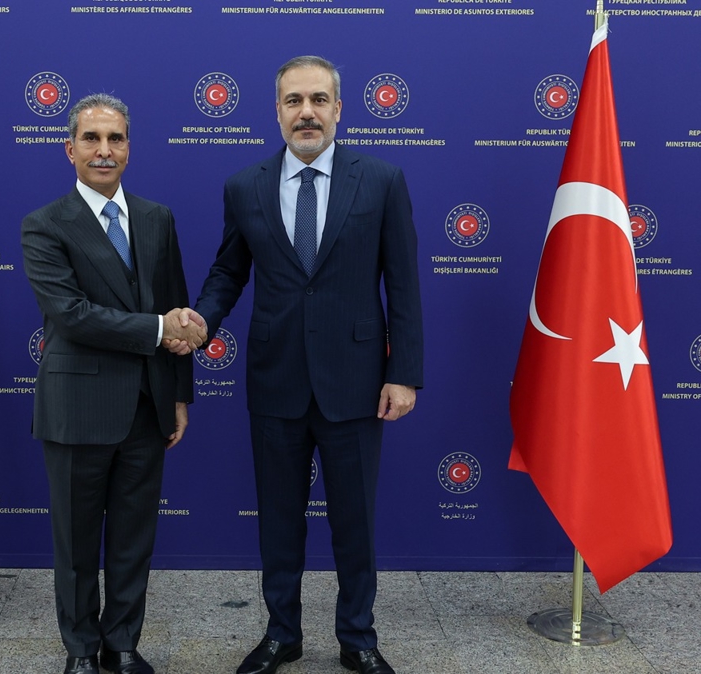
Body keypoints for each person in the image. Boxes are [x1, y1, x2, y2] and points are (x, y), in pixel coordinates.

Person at [182, 55, 424, 674]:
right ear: (278, 112)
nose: (307, 112)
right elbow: (229, 271)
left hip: (357, 382)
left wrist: (403, 372)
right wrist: (203, 320)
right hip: (276, 378)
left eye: (318, 100)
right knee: (280, 521)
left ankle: (358, 638)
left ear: (339, 108)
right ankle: (281, 634)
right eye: (294, 101)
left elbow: (403, 283)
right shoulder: (245, 186)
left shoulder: (382, 180)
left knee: (355, 523)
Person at [21, 93, 206, 674]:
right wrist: (159, 329)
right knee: (77, 543)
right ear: (69, 148)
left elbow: (176, 307)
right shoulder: (44, 225)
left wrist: (179, 395)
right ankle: (80, 651)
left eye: (115, 139)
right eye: (92, 139)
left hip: (148, 406)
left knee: (133, 538)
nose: (104, 150)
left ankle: (122, 644)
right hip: (77, 408)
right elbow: (72, 315)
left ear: (129, 147)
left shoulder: (156, 218)